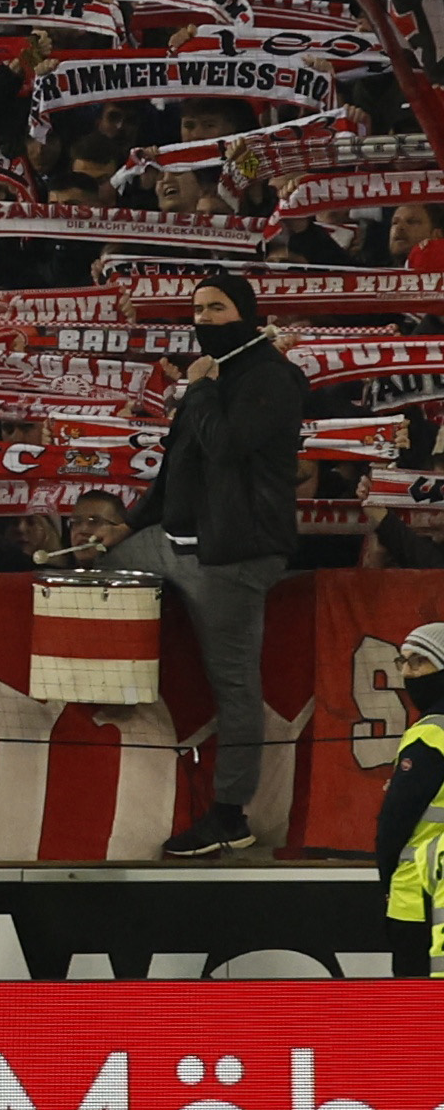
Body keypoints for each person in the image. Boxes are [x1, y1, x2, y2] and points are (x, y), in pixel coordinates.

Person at [144, 269, 308, 861]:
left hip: (236, 555)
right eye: (197, 309)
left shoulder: (272, 377)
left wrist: (200, 388)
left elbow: (228, 446)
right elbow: (176, 469)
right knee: (98, 565)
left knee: (235, 686)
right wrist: (127, 527)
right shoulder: (214, 376)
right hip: (179, 543)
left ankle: (230, 815)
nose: (204, 319)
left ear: (245, 312)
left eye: (216, 308)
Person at [372, 628, 444, 977]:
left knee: (417, 1017)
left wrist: (386, 879)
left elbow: (394, 823)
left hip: (421, 899)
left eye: (421, 662)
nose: (408, 673)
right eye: (405, 662)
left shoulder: (430, 733)